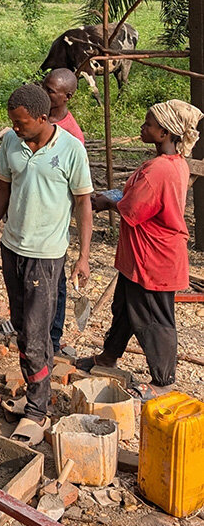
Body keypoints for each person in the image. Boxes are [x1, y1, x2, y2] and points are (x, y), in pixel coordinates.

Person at [0, 84, 92, 444]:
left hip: (46, 256)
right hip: (13, 249)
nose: (14, 128)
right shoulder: (12, 143)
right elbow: (3, 189)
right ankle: (33, 393)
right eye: (12, 122)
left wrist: (83, 257)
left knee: (37, 333)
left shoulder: (71, 150)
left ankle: (37, 414)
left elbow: (84, 204)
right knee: (22, 328)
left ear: (43, 118)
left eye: (21, 123)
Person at [78, 100, 203, 399]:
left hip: (153, 258)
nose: (142, 128)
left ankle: (163, 381)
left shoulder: (158, 169)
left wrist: (107, 201)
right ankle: (108, 356)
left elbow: (133, 209)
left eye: (148, 124)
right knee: (124, 309)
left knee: (153, 319)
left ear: (164, 132)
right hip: (142, 256)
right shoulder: (174, 164)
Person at [42, 68, 85, 359]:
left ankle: (53, 339)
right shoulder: (36, 120)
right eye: (44, 87)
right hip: (29, 221)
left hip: (54, 223)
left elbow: (80, 193)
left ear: (68, 96)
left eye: (51, 90)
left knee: (55, 283)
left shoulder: (72, 135)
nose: (45, 93)